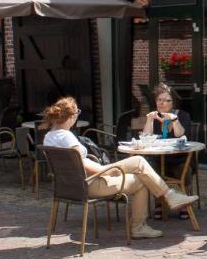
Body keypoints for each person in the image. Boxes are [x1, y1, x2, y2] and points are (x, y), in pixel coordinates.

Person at [40, 96, 197, 239]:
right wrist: (108, 170)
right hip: (91, 184)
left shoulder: (49, 137)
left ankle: (162, 205)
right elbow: (82, 165)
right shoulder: (67, 137)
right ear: (72, 117)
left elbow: (77, 165)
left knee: (140, 177)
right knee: (139, 162)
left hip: (69, 187)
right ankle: (158, 208)